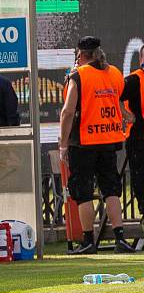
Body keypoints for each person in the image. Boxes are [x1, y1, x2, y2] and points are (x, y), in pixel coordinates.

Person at [59, 36, 136, 254]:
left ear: (80, 54)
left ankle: (88, 242)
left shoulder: (78, 76)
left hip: (83, 142)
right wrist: (128, 118)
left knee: (83, 192)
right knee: (111, 190)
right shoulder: (114, 73)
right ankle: (120, 239)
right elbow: (119, 106)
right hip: (109, 141)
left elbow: (67, 112)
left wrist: (63, 144)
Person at [120, 45, 144, 223]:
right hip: (139, 140)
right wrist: (127, 114)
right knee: (141, 179)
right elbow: (114, 95)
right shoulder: (135, 79)